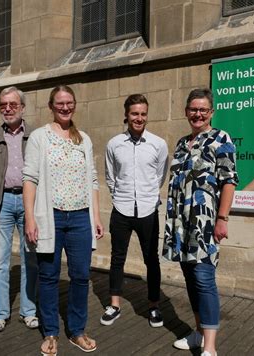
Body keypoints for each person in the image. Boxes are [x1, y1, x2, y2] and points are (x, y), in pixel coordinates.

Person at [23, 85, 104, 355]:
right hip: (51, 216)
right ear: (51, 106)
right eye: (60, 103)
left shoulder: (84, 138)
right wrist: (30, 218)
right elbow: (30, 179)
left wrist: (96, 216)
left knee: (81, 276)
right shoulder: (39, 137)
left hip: (81, 216)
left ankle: (77, 331)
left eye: (69, 102)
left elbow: (92, 179)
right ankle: (50, 333)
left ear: (75, 104)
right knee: (48, 276)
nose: (65, 107)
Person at [163, 88, 238, 356]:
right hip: (181, 225)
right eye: (193, 109)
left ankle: (210, 347)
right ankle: (197, 333)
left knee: (204, 279)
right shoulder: (182, 143)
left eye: (203, 110)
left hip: (205, 223)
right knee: (190, 279)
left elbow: (228, 181)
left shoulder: (221, 139)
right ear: (186, 112)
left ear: (211, 112)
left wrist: (222, 219)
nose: (198, 114)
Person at [0, 86, 39, 332]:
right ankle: (1, 314)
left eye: (13, 104)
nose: (8, 109)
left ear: (22, 107)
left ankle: (28, 311)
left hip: (28, 203)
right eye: (3, 105)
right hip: (0, 204)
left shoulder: (36, 135)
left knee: (30, 259)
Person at [101, 94, 168, 328]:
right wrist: (120, 195)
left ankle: (153, 306)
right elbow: (110, 176)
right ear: (127, 115)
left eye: (143, 114)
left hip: (148, 209)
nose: (139, 118)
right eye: (134, 114)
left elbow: (160, 175)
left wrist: (148, 195)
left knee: (152, 260)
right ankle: (114, 305)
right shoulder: (114, 144)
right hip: (122, 207)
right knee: (117, 258)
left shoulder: (158, 144)